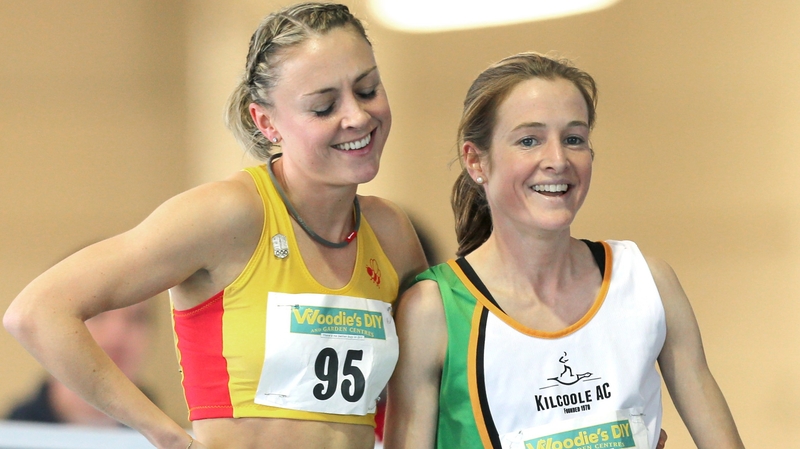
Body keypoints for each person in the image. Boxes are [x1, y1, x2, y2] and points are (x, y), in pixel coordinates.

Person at [4, 3, 428, 449]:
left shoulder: (391, 232)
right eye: (324, 107)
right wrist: (167, 436)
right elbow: (37, 312)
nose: (358, 117)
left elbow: (423, 384)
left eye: (367, 89)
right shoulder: (230, 215)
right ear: (266, 123)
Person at [383, 52, 744, 449]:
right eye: (529, 140)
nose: (557, 160)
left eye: (574, 139)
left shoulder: (648, 282)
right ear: (475, 161)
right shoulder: (432, 310)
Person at [6, 301, 154, 426]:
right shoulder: (10, 437)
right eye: (95, 314)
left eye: (136, 318)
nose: (116, 334)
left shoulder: (172, 440)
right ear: (48, 330)